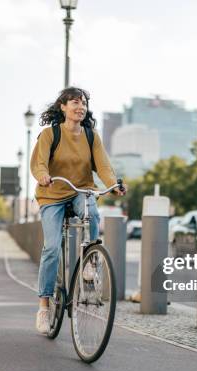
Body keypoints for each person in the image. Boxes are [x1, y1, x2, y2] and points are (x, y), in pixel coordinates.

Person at [30, 87, 126, 334]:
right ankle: (43, 306)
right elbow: (39, 162)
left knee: (92, 212)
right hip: (52, 194)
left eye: (83, 103)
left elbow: (103, 166)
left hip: (79, 190)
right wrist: (42, 176)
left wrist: (113, 184)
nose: (80, 106)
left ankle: (89, 261)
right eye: (74, 102)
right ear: (63, 107)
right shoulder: (50, 134)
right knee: (52, 247)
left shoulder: (91, 135)